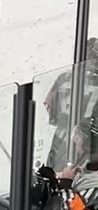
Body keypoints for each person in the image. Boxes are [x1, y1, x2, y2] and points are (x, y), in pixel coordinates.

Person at [42, 39, 98, 172]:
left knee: (56, 181)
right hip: (89, 145)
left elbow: (50, 107)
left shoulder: (65, 77)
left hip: (61, 140)